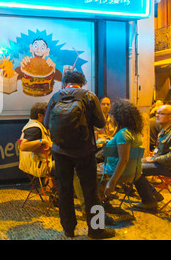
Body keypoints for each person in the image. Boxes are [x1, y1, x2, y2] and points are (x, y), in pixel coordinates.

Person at [44, 70, 115, 239]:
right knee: (91, 191)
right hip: (84, 151)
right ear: (82, 83)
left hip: (60, 151)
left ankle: (68, 230)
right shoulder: (89, 96)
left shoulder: (55, 97)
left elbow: (47, 123)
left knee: (64, 190)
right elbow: (100, 122)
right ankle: (96, 230)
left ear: (64, 83)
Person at [99, 99, 144, 202]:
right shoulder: (136, 133)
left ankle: (101, 202)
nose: (113, 118)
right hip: (133, 173)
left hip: (115, 171)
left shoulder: (123, 133)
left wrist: (112, 182)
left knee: (87, 170)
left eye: (114, 115)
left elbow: (123, 159)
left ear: (120, 117)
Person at [133, 104, 171, 212]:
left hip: (168, 167)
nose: (156, 115)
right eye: (157, 113)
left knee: (135, 169)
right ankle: (153, 194)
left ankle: (149, 201)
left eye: (161, 113)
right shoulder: (164, 130)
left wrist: (153, 159)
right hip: (161, 164)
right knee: (134, 165)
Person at [18, 102, 53, 179]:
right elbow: (23, 146)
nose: (50, 116)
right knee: (71, 167)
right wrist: (43, 141)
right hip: (40, 166)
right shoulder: (35, 128)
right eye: (48, 114)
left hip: (31, 165)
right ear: (40, 115)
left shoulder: (34, 124)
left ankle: (53, 187)